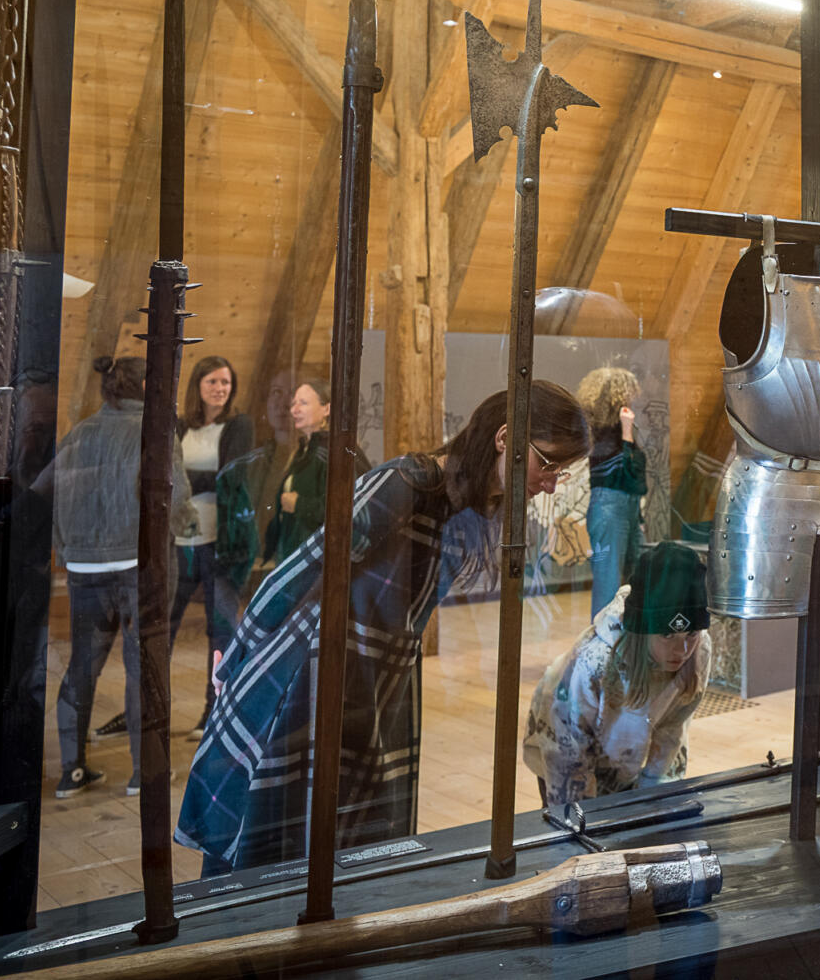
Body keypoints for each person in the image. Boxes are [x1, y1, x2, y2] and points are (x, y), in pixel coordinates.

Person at [177, 381, 590, 874]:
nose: (551, 482)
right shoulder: (408, 481)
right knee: (274, 845)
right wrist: (241, 650)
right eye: (549, 464)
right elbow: (306, 568)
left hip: (379, 685)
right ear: (505, 439)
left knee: (352, 848)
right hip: (314, 673)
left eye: (562, 472)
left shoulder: (477, 506)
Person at [52, 355, 190, 798]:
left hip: (83, 567)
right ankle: (143, 773)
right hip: (139, 567)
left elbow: (52, 502)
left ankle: (71, 772)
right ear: (148, 384)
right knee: (142, 667)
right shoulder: (155, 431)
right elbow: (175, 498)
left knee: (81, 668)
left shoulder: (77, 434)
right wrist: (188, 529)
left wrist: (70, 552)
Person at [523, 541, 712, 808]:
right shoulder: (594, 661)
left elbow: (672, 731)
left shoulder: (699, 650)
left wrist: (652, 800)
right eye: (667, 635)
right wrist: (580, 821)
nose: (681, 650)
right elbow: (567, 756)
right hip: (563, 746)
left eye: (690, 634)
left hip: (626, 753)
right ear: (642, 632)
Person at [172, 356, 254, 739]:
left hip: (219, 544)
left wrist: (185, 480)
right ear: (197, 385)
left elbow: (230, 476)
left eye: (226, 382)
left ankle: (215, 710)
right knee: (161, 628)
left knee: (221, 631)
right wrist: (196, 481)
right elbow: (162, 474)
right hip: (178, 543)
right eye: (213, 382)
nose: (220, 388)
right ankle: (147, 709)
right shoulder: (180, 425)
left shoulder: (238, 425)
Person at [576, 367, 648, 617]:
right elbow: (627, 471)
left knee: (633, 580)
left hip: (625, 509)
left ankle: (625, 641)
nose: (632, 399)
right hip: (610, 509)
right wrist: (628, 432)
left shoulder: (610, 433)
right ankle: (602, 644)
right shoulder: (603, 435)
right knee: (608, 583)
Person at [262, 379, 335, 566]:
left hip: (317, 560)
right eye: (294, 403)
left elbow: (344, 508)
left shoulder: (331, 452)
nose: (294, 410)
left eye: (303, 403)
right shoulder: (304, 450)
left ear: (326, 409)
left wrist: (299, 504)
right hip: (295, 555)